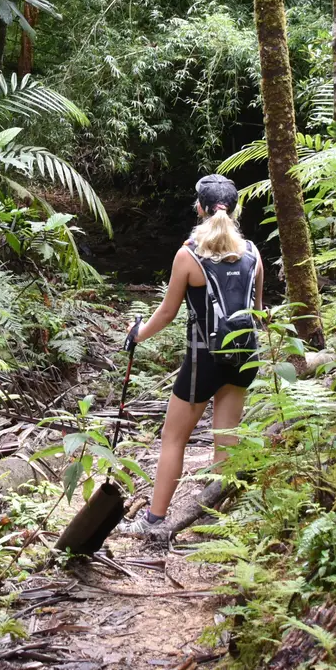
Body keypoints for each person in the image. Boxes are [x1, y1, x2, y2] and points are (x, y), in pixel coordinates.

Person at [117, 174, 262, 538]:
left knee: (173, 438)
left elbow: (166, 313)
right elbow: (258, 311)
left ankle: (154, 520)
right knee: (226, 437)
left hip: (203, 359)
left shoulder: (188, 255)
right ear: (236, 209)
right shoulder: (253, 254)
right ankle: (215, 519)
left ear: (199, 208)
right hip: (245, 357)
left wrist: (137, 334)